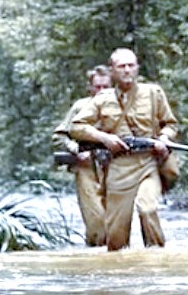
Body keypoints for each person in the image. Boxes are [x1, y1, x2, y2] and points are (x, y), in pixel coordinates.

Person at [70, 48, 179, 251]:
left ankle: (158, 262)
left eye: (131, 65)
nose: (127, 70)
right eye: (121, 66)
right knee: (116, 240)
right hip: (118, 167)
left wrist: (163, 139)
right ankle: (121, 274)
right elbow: (76, 126)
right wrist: (104, 138)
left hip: (148, 163)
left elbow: (171, 124)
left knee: (148, 208)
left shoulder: (153, 93)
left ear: (137, 68)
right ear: (112, 71)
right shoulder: (102, 99)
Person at [52, 65, 112, 247]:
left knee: (116, 223)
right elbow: (59, 136)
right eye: (97, 87)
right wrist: (75, 149)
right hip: (86, 168)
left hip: (115, 168)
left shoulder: (122, 107)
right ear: (90, 88)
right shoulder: (80, 107)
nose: (101, 91)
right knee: (96, 221)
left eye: (105, 87)